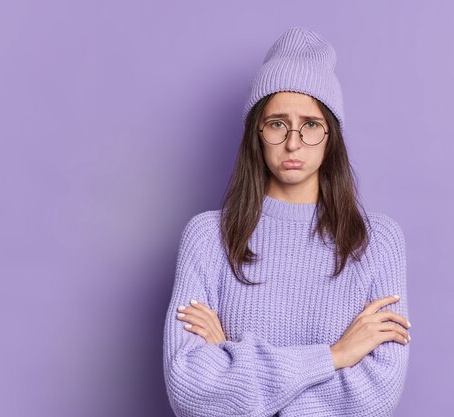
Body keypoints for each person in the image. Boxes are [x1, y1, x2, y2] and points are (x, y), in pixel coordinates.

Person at [163, 26, 411, 417]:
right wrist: (335, 356)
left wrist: (232, 364)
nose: (293, 143)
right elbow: (192, 393)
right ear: (257, 134)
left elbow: (374, 397)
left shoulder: (376, 241)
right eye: (277, 123)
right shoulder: (208, 237)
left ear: (331, 137)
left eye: (310, 125)